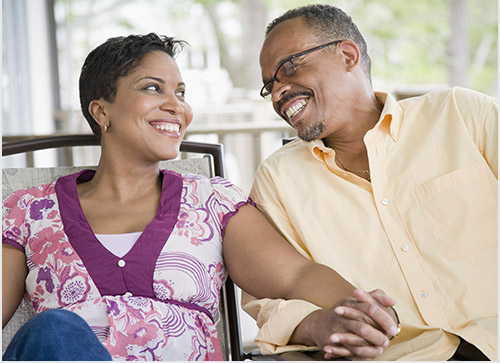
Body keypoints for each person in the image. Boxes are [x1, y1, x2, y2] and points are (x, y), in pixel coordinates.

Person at [2, 33, 399, 361]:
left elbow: (296, 275)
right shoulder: (27, 211)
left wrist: (362, 310)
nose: (176, 106)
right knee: (55, 330)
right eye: (152, 88)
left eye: (180, 92)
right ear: (101, 111)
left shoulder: (212, 201)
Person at [243, 3, 497, 361]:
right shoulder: (279, 178)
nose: (278, 92)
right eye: (269, 85)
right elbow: (267, 298)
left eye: (287, 68)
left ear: (347, 55)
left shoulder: (460, 115)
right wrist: (318, 322)